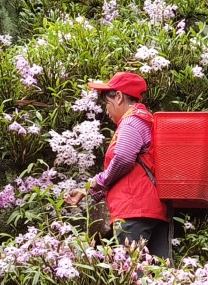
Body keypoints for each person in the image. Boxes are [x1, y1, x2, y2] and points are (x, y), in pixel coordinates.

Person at [68, 71, 170, 260]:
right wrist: (87, 191)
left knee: (133, 273)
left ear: (120, 97)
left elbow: (123, 159)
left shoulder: (131, 122)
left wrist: (93, 183)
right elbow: (128, 171)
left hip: (133, 210)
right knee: (159, 275)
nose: (106, 110)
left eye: (107, 102)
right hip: (153, 209)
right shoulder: (145, 120)